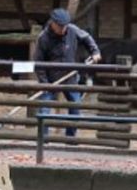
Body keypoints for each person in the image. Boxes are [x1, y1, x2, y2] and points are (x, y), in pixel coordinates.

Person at [33, 9, 101, 138]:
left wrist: (95, 51)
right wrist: (45, 83)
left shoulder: (72, 30)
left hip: (70, 77)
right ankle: (43, 140)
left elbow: (87, 38)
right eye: (60, 26)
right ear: (53, 23)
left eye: (65, 26)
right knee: (44, 110)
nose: (63, 29)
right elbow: (38, 63)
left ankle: (70, 138)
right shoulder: (43, 38)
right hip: (51, 79)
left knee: (76, 107)